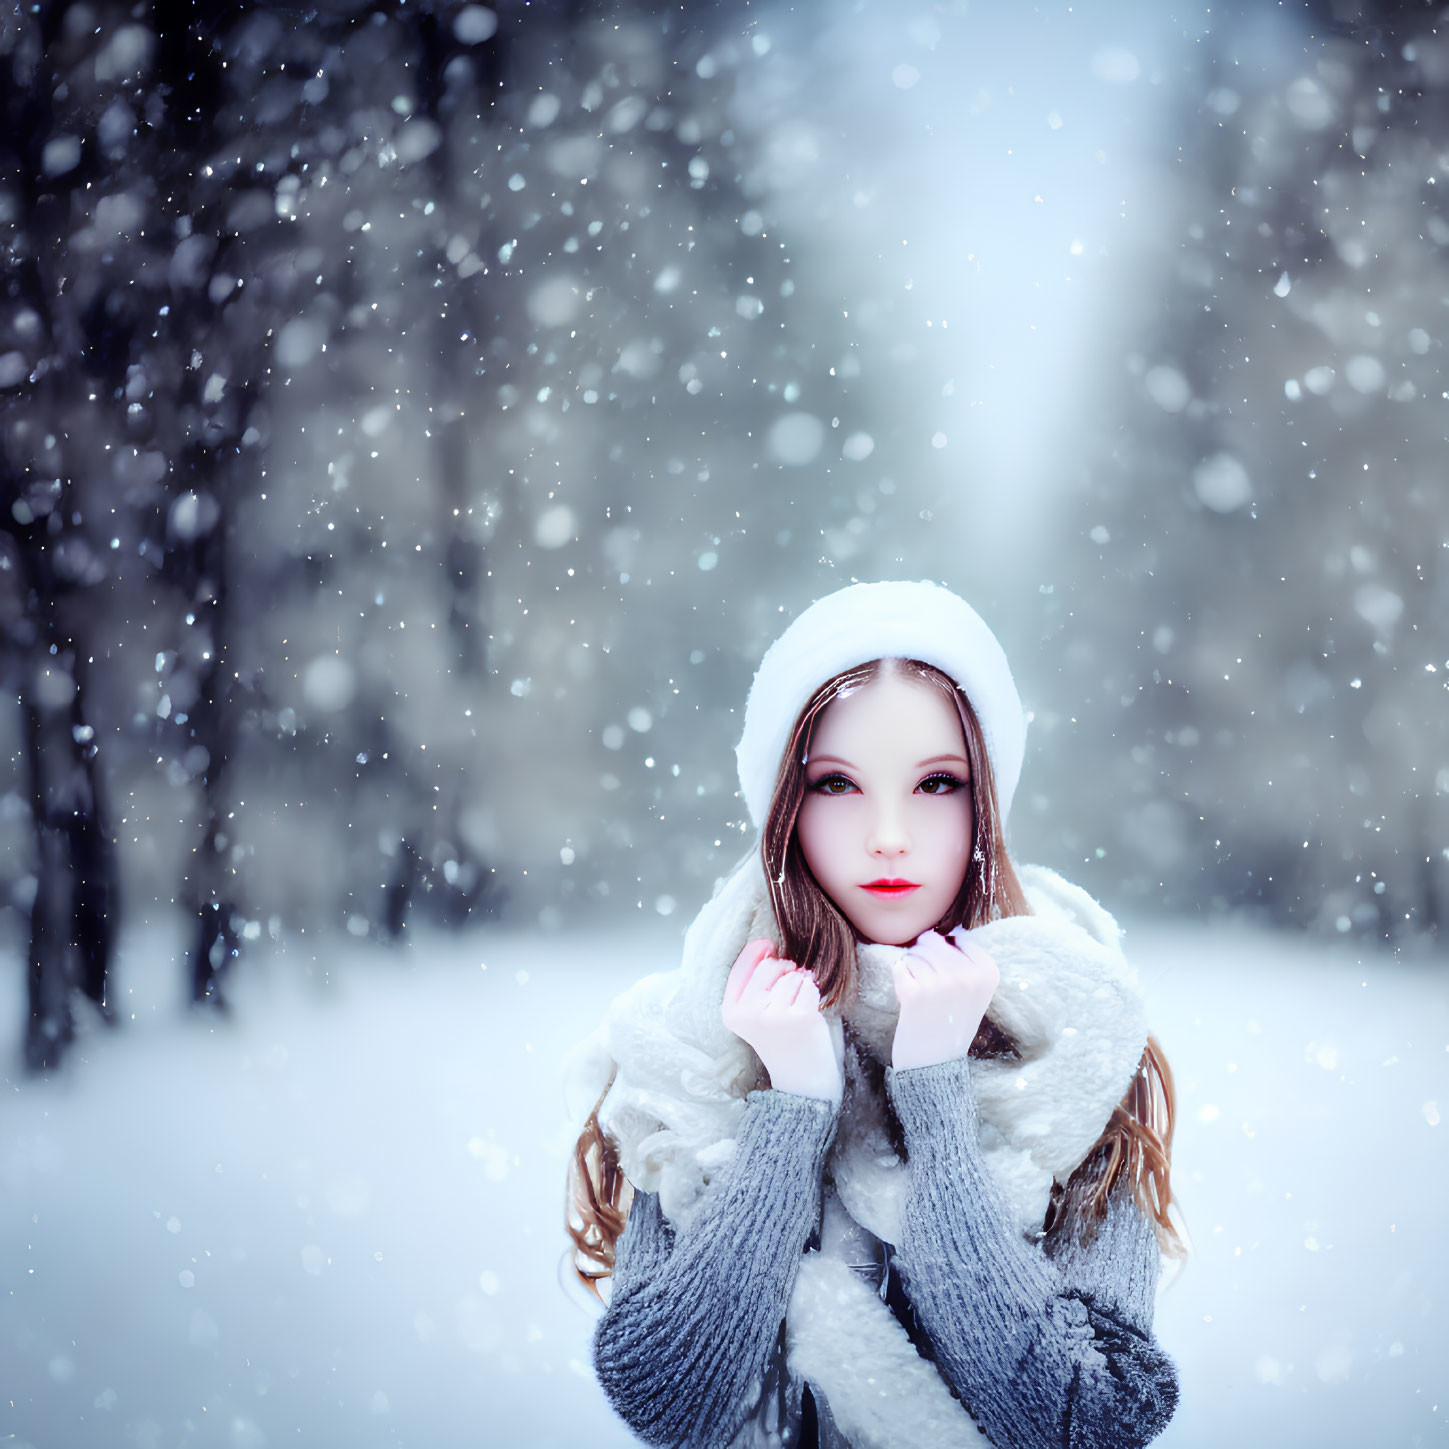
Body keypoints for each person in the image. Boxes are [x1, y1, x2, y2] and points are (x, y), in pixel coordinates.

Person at [563, 580, 1183, 1449]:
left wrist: (936, 1101)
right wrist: (792, 1109)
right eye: (836, 784)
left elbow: (1088, 1420)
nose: (887, 834)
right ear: (784, 807)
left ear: (985, 805)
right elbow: (669, 1399)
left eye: (935, 782)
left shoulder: (1068, 1044)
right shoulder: (703, 1043)